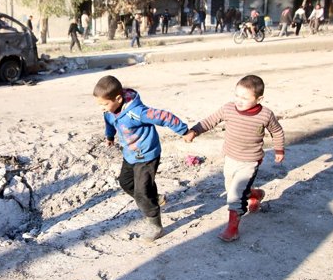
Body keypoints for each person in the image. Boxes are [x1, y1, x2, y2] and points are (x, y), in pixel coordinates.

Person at [93, 75, 195, 241]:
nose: (102, 108)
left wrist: (184, 131)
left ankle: (155, 224)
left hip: (147, 155)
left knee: (141, 193)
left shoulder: (137, 112)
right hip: (130, 154)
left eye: (105, 104)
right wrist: (109, 136)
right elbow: (109, 121)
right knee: (125, 183)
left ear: (118, 98)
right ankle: (153, 198)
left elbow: (164, 116)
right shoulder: (109, 111)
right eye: (100, 105)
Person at [187, 75, 285, 242]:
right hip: (231, 158)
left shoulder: (266, 115)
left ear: (259, 98)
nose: (239, 100)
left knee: (235, 196)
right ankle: (255, 194)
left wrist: (279, 149)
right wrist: (194, 131)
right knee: (231, 187)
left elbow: (277, 131)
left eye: (245, 98)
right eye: (237, 95)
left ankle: (232, 229)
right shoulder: (228, 109)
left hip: (250, 161)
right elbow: (210, 121)